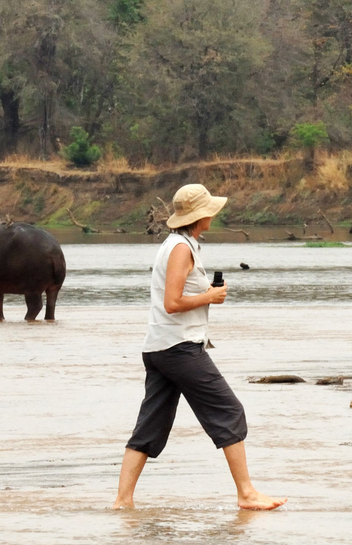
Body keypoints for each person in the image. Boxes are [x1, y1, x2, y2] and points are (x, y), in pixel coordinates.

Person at [113, 184, 286, 511]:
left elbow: (175, 297)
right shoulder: (181, 248)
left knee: (150, 424)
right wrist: (210, 296)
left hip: (160, 348)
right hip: (179, 349)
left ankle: (122, 502)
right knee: (229, 411)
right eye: (210, 210)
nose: (213, 214)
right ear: (200, 216)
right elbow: (172, 302)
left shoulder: (174, 244)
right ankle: (246, 494)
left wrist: (206, 293)